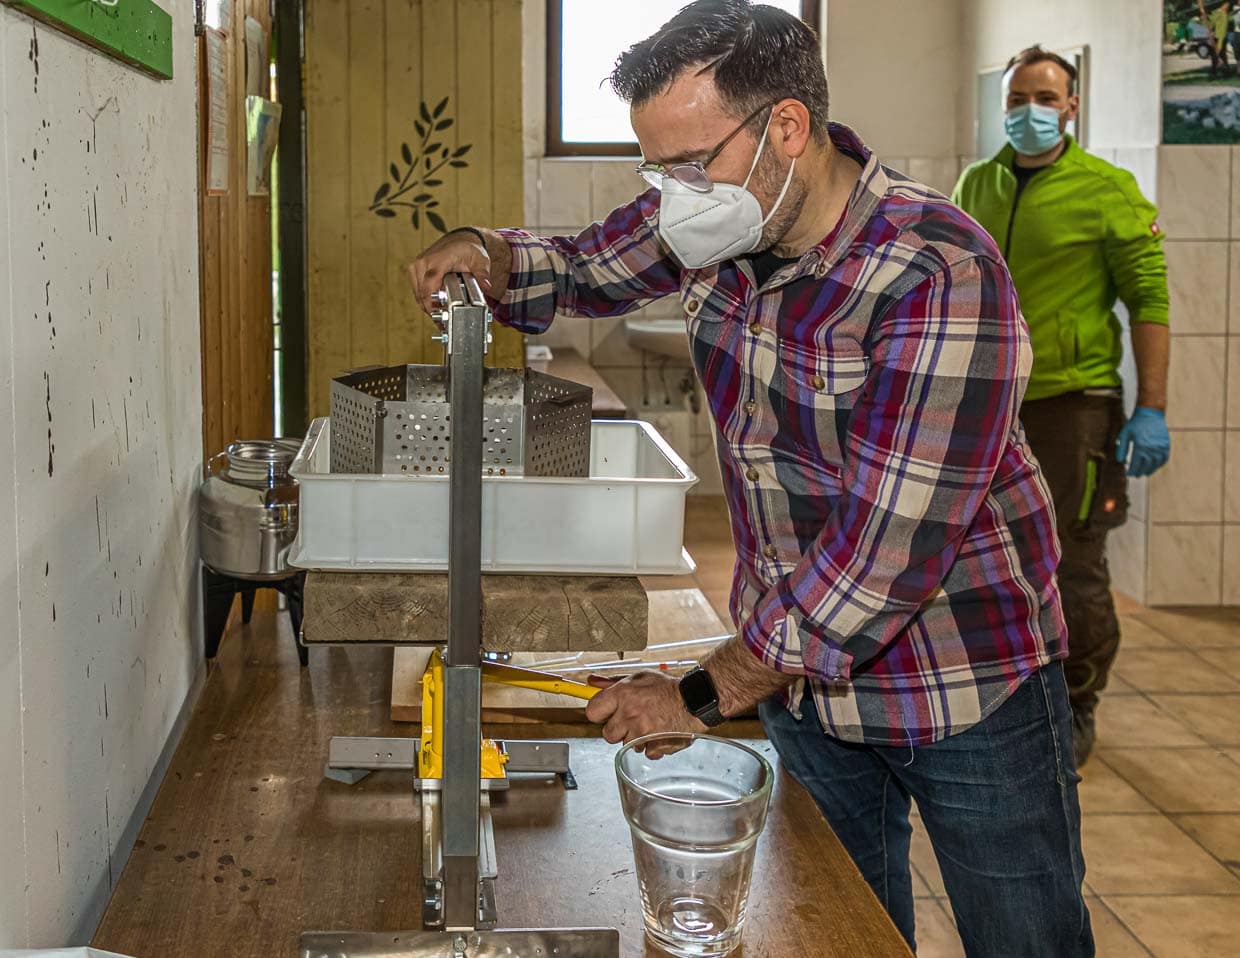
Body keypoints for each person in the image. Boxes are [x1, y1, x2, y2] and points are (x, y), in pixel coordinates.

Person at [406, 3, 1093, 954]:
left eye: (690, 166)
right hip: (805, 683)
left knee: (1025, 937)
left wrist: (698, 692)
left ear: (786, 128)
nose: (672, 195)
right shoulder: (720, 223)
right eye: (657, 169)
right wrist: (486, 253)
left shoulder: (935, 271)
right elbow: (584, 266)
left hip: (963, 679)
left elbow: (878, 566)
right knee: (837, 931)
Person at [952, 46, 1170, 768]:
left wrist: (1153, 407)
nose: (1028, 111)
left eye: (1044, 98)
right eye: (1017, 98)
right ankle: (1006, 699)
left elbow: (1150, 301)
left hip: (1073, 408)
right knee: (984, 558)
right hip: (989, 407)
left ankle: (1078, 702)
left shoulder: (1107, 189)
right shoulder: (977, 184)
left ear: (1071, 107)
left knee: (1070, 565)